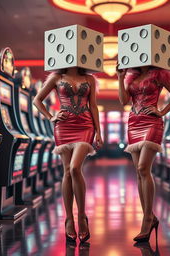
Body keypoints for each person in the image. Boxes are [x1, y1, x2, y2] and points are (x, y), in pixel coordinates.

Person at [33, 67, 103, 243]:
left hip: (86, 125)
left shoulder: (90, 79)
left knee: (74, 168)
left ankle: (82, 216)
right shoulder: (57, 77)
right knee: (67, 171)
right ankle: (69, 219)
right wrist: (50, 117)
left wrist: (99, 132)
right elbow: (37, 100)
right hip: (63, 127)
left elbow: (93, 105)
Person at [117, 64, 170, 243]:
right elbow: (124, 101)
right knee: (139, 173)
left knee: (143, 168)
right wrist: (120, 77)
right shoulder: (132, 77)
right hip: (133, 123)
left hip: (152, 122)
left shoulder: (159, 74)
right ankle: (150, 216)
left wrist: (161, 111)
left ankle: (147, 218)